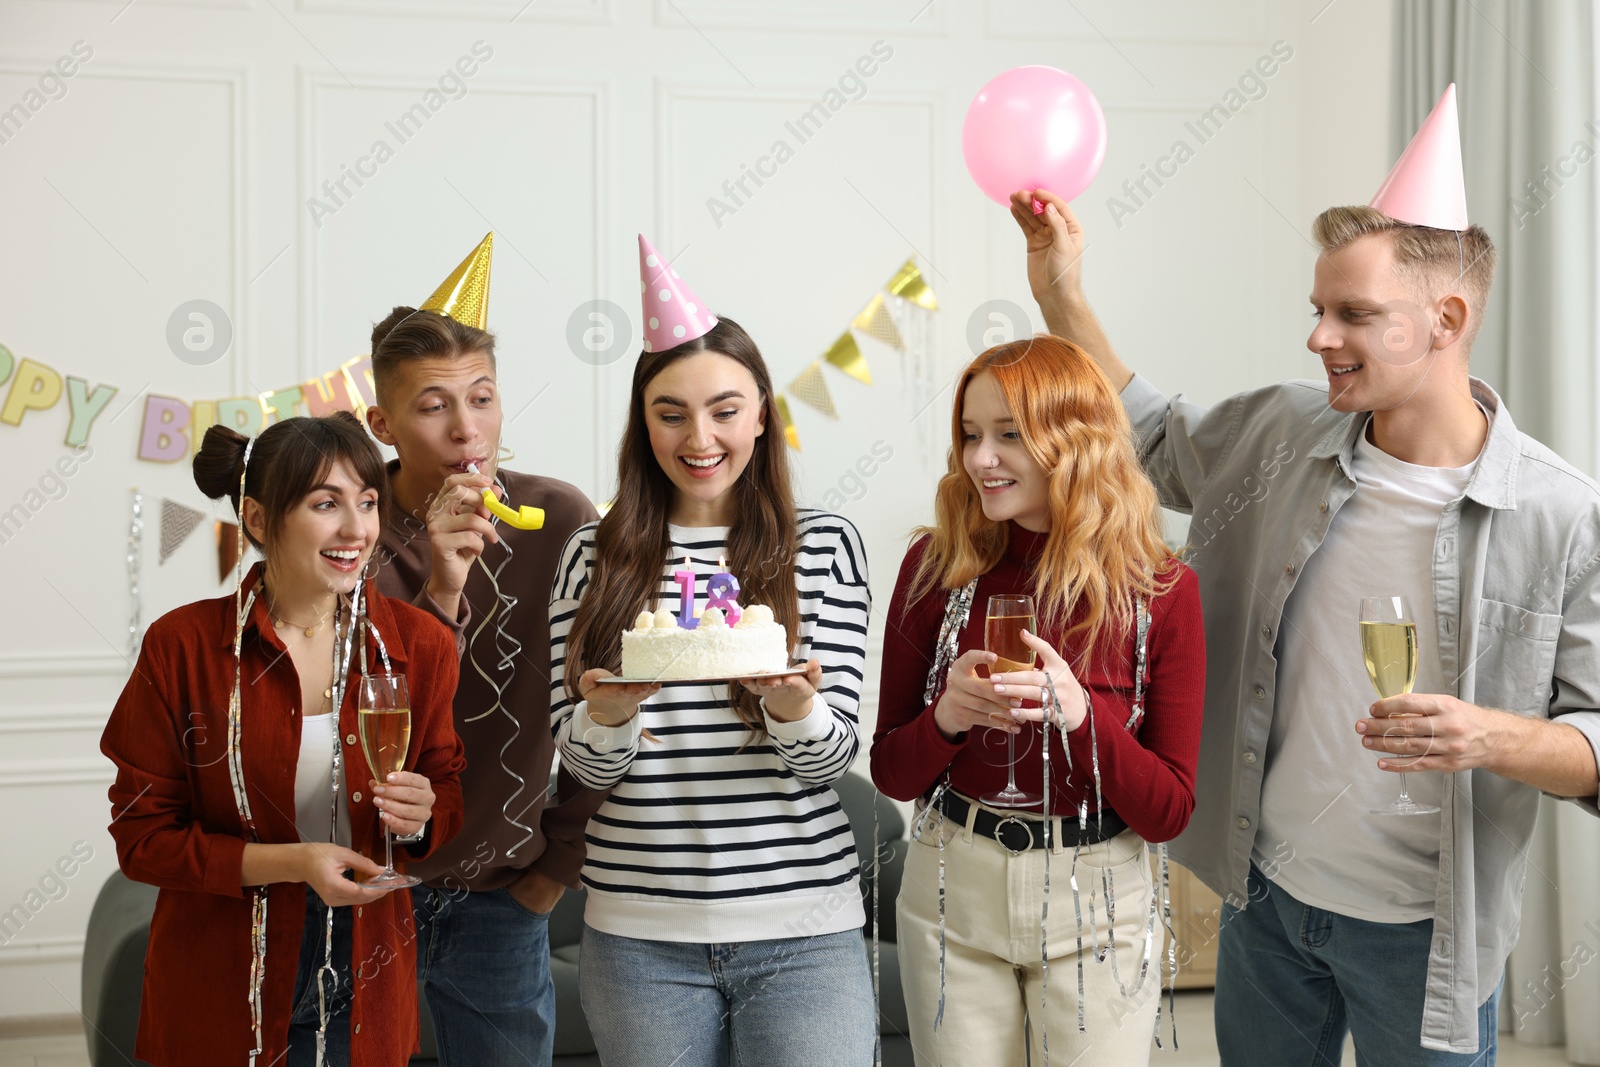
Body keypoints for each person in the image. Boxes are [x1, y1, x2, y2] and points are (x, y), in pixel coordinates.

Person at [1014, 83, 1600, 1063]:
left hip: (1425, 937)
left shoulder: (1561, 513)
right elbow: (1151, 436)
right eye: (1317, 307)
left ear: (1445, 317)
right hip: (1266, 901)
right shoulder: (1283, 435)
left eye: (1352, 314)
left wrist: (1487, 732)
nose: (1317, 335)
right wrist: (1059, 295)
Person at [549, 236, 877, 1067]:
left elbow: (830, 758)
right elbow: (580, 769)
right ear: (643, 420)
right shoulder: (593, 553)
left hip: (804, 926)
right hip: (637, 934)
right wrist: (607, 717)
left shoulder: (825, 546)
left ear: (764, 412)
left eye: (725, 409)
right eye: (671, 412)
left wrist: (795, 706)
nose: (700, 436)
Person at [869, 334, 1205, 1065]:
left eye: (1008, 435)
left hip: (1099, 900)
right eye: (969, 434)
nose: (979, 458)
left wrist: (1084, 719)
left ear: (1073, 440)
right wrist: (947, 719)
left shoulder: (1162, 591)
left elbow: (1168, 809)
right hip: (952, 886)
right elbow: (893, 772)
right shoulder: (935, 568)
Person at [101, 413, 466, 1066]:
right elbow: (143, 838)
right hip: (222, 971)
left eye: (368, 502)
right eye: (326, 503)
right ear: (260, 519)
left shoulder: (421, 646)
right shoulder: (181, 648)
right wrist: (295, 863)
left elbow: (445, 792)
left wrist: (425, 813)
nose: (357, 529)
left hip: (368, 965)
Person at [362, 234, 602, 1066]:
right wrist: (443, 577)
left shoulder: (563, 519)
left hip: (505, 892)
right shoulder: (349, 533)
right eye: (433, 405)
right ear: (383, 424)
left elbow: (605, 698)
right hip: (365, 888)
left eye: (483, 397)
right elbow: (357, 701)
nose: (468, 428)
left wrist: (557, 866)